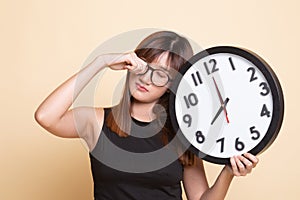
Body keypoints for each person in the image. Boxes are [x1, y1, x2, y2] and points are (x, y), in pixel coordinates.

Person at [35, 30, 259, 200]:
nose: (146, 79)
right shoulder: (96, 122)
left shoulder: (184, 133)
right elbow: (46, 116)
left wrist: (228, 172)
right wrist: (99, 63)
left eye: (161, 75)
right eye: (144, 67)